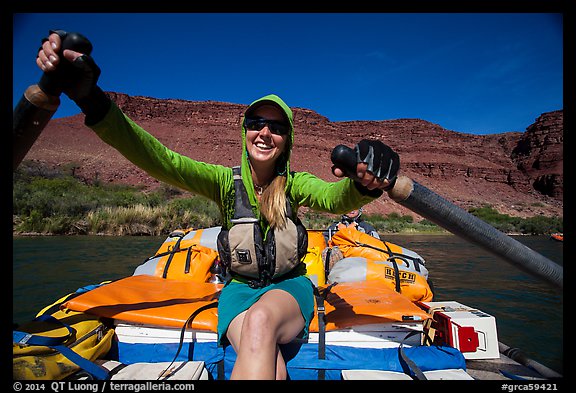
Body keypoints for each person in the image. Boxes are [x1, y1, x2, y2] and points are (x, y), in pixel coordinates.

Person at [35, 30, 400, 380]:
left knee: (260, 324)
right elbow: (161, 160)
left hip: (289, 289)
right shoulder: (224, 182)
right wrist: (93, 102)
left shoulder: (296, 184)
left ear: (286, 140)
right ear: (245, 132)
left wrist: (362, 185)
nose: (265, 132)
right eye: (257, 123)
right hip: (238, 292)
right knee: (269, 362)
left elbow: (335, 198)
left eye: (276, 127)